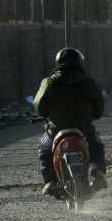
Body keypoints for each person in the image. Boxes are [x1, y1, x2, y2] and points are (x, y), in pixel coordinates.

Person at [34, 48, 107, 197]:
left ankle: (50, 181)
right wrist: (92, 115)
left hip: (56, 130)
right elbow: (99, 109)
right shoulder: (89, 83)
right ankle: (97, 172)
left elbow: (38, 107)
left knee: (44, 148)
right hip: (84, 129)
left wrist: (47, 113)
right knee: (96, 145)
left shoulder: (48, 82)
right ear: (79, 63)